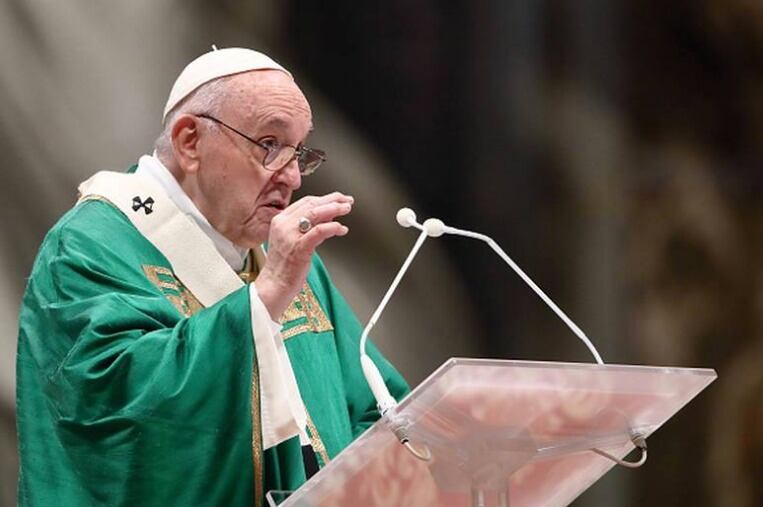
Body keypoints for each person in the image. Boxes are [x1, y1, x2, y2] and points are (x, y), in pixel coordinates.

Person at [16, 47, 409, 507]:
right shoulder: (91, 244)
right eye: (270, 145)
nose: (292, 178)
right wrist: (264, 298)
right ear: (189, 142)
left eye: (300, 153)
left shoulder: (283, 255)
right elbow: (115, 415)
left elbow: (374, 406)